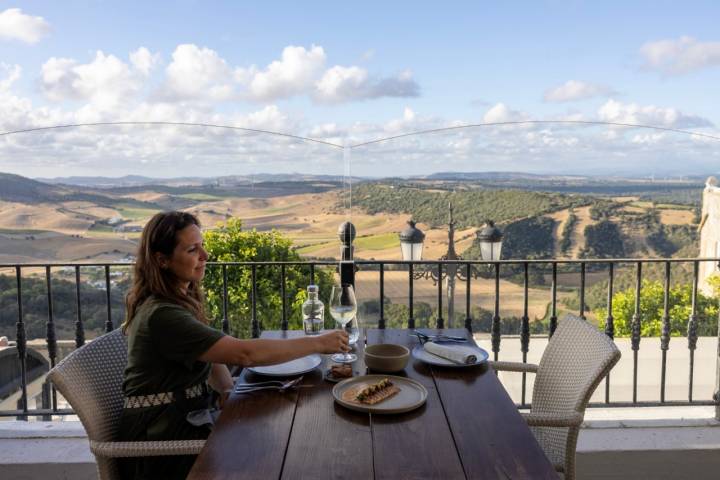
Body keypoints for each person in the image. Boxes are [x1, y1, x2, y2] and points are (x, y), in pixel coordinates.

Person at [118, 211, 349, 479]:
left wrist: (227, 388)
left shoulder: (175, 301)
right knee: (281, 448)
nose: (205, 256)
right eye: (193, 250)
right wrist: (318, 343)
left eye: (202, 246)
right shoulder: (163, 315)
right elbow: (245, 354)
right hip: (159, 444)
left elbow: (209, 351)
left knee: (274, 432)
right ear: (162, 260)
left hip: (182, 418)